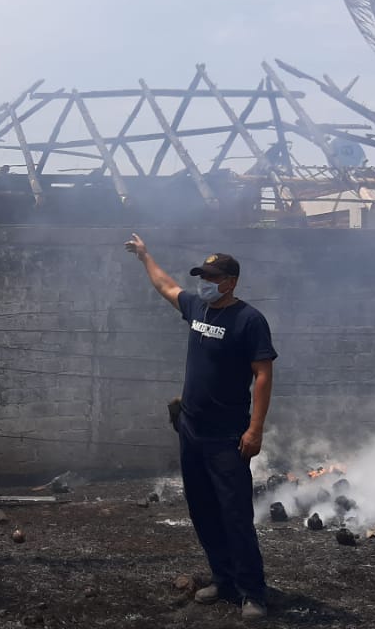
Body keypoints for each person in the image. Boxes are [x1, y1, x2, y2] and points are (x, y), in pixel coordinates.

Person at [124, 233, 277, 621]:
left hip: (228, 435)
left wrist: (255, 429)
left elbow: (262, 375)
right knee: (203, 509)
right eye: (202, 276)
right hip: (192, 428)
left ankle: (252, 592)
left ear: (231, 282)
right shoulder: (198, 308)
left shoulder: (249, 320)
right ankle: (223, 579)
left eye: (211, 277)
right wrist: (145, 257)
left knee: (235, 513)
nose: (203, 283)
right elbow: (166, 285)